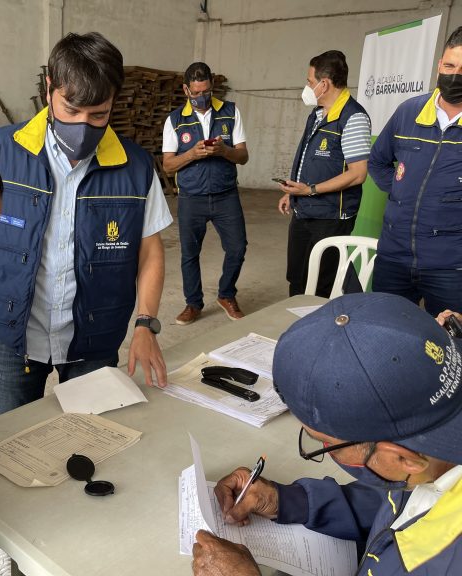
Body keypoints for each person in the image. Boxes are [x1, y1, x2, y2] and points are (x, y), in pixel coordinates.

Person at [0, 32, 173, 417]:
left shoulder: (135, 167)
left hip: (94, 338)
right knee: (10, 445)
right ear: (49, 88)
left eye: (98, 115)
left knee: (88, 447)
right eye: (71, 110)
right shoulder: (1, 150)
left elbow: (150, 250)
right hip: (10, 337)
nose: (83, 126)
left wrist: (145, 324)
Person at [192, 292, 462, 575]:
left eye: (325, 443)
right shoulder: (427, 465)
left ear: (403, 459)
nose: (326, 450)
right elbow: (394, 503)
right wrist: (287, 501)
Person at [367, 27, 462, 317]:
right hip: (393, 257)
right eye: (450, 65)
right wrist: (398, 190)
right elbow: (377, 160)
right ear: (438, 66)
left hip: (450, 266)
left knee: (450, 346)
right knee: (385, 333)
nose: (455, 75)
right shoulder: (409, 111)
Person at [278, 50, 372, 297]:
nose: (307, 87)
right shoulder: (318, 114)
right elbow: (310, 160)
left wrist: (310, 190)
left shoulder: (353, 118)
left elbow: (358, 173)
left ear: (324, 83)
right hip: (304, 210)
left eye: (309, 82)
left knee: (321, 284)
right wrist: (295, 193)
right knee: (297, 278)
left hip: (330, 217)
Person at [162, 62, 250, 324]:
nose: (202, 98)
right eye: (197, 92)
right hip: (191, 197)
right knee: (189, 253)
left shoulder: (230, 112)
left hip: (225, 195)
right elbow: (167, 166)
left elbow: (243, 156)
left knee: (237, 247)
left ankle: (226, 294)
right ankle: (193, 303)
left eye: (207, 92)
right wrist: (191, 154)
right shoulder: (175, 120)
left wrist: (225, 151)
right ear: (186, 90)